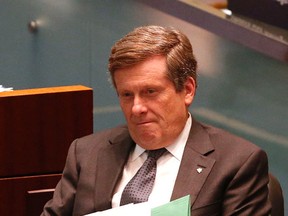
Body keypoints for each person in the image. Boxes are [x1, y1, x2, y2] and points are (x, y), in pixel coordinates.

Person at [41, 25, 271, 215]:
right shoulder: (86, 153)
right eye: (127, 95)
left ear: (188, 90)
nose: (137, 108)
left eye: (150, 91)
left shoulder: (236, 163)